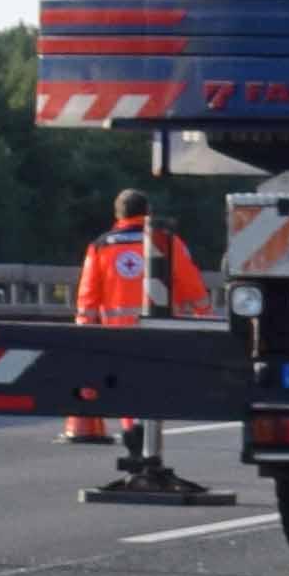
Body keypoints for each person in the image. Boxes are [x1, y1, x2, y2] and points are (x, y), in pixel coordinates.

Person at [68, 187, 213, 446]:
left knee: (125, 381)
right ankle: (145, 432)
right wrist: (206, 315)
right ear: (148, 213)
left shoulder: (100, 246)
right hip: (160, 327)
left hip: (118, 330)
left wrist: (84, 329)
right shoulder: (166, 242)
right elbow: (189, 282)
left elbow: (88, 293)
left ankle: (132, 427)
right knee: (154, 380)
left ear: (118, 215)